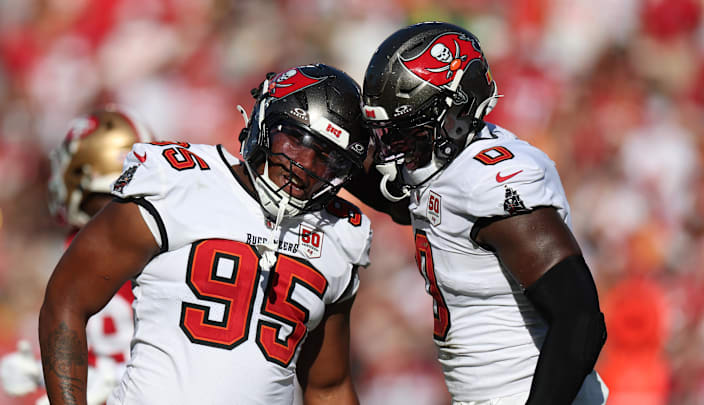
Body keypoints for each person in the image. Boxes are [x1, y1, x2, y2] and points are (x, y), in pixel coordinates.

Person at [38, 64, 372, 405]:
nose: (305, 167)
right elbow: (67, 300)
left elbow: (328, 385)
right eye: (295, 141)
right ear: (264, 124)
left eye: (327, 158)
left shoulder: (337, 234)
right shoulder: (180, 183)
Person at [345, 22, 608, 405]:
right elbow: (406, 204)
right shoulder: (445, 164)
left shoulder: (491, 182)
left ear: (456, 111)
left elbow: (580, 320)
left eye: (407, 132)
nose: (394, 149)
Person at [0, 107, 155, 405]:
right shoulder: (146, 235)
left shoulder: (120, 245)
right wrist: (40, 370)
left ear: (87, 168)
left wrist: (105, 381)